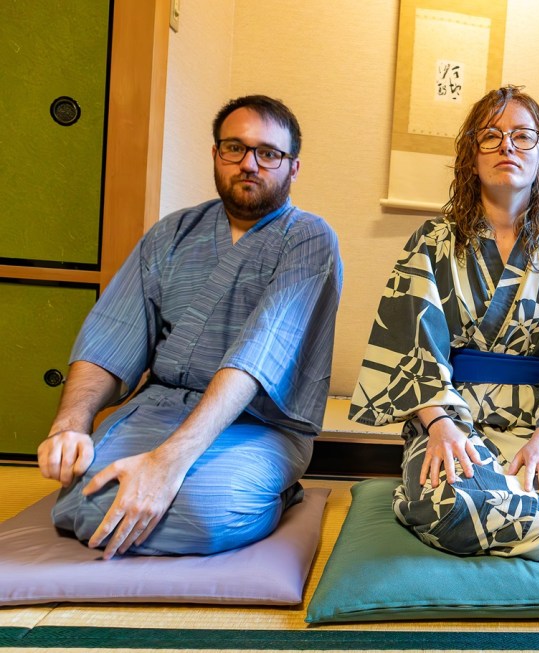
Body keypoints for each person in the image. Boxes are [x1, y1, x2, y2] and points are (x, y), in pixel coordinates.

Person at [37, 95, 343, 559]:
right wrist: (70, 426)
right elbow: (111, 334)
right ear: (216, 154)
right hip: (160, 408)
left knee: (204, 510)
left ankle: (278, 493)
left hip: (258, 421)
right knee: (86, 493)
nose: (249, 164)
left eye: (268, 153)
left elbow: (259, 355)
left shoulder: (309, 239)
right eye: (235, 148)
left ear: (293, 167)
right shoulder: (172, 232)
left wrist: (168, 462)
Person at [350, 86, 539, 561]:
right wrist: (439, 426)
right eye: (491, 136)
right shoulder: (432, 242)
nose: (507, 146)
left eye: (522, 136)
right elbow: (412, 344)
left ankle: (535, 478)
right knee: (448, 504)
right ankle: (424, 487)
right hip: (452, 418)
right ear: (471, 157)